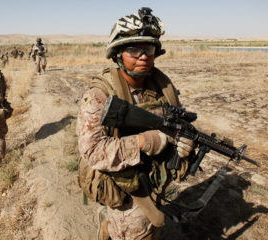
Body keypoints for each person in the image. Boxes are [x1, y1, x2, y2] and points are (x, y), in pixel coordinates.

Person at [76, 7, 194, 240]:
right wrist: (144, 141)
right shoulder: (101, 94)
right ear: (118, 53)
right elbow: (92, 151)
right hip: (122, 182)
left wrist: (184, 141)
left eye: (149, 49)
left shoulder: (161, 84)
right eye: (134, 50)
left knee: (153, 227)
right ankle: (111, 226)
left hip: (154, 175)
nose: (143, 56)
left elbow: (175, 121)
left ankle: (108, 228)